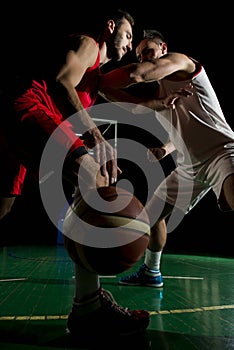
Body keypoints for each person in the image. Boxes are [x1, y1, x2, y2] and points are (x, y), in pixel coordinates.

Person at [0, 10, 152, 338]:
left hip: (21, 127)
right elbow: (61, 82)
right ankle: (89, 309)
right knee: (92, 180)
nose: (129, 43)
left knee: (4, 208)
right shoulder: (89, 46)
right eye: (127, 34)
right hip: (29, 109)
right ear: (110, 26)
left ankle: (89, 308)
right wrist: (96, 138)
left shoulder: (96, 78)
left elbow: (121, 93)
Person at [99, 29, 234, 288]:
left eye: (148, 51)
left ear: (163, 48)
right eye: (139, 56)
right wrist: (165, 149)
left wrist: (97, 76)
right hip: (187, 169)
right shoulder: (160, 97)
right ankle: (151, 272)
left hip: (220, 152)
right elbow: (185, 128)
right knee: (151, 217)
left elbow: (135, 74)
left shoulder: (183, 63)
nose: (143, 59)